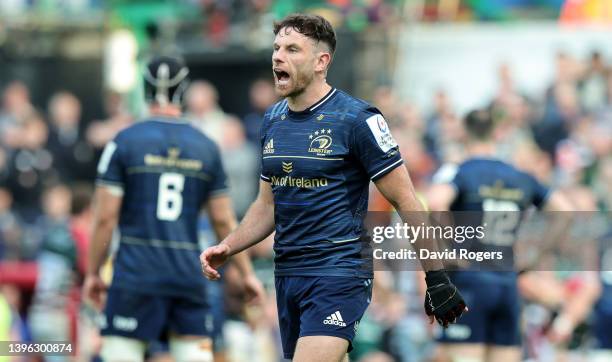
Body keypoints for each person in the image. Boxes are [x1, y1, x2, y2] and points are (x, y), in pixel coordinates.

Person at [200, 14, 467, 362]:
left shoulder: (358, 120)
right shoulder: (272, 120)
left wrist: (436, 277)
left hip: (338, 271)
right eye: (277, 48)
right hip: (289, 274)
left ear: (321, 61)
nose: (278, 56)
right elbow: (267, 206)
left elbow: (406, 199)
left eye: (292, 49)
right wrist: (230, 245)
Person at [83, 56, 265, 362]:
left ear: (145, 90)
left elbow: (104, 218)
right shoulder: (206, 146)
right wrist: (246, 274)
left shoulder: (124, 142)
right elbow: (223, 220)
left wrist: (93, 273)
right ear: (183, 90)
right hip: (186, 274)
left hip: (134, 275)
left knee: (121, 352)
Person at [426, 108, 573, 362]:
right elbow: (566, 211)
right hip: (507, 282)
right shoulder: (520, 177)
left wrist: (446, 252)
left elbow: (436, 201)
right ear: (496, 133)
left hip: (469, 281)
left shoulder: (460, 172)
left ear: (464, 134)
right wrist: (535, 256)